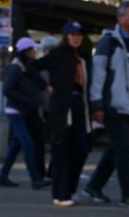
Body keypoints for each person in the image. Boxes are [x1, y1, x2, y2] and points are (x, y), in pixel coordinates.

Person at [85, 0, 129, 208]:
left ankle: (94, 186)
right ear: (120, 18)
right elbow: (98, 74)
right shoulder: (110, 41)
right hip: (113, 106)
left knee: (116, 149)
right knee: (123, 151)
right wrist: (96, 104)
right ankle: (128, 195)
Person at [37, 21, 90, 207]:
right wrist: (46, 87)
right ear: (66, 36)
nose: (76, 38)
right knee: (61, 151)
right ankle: (60, 194)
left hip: (79, 106)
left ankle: (69, 190)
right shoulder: (57, 55)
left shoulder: (82, 58)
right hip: (61, 109)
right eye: (72, 34)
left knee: (81, 150)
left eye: (79, 34)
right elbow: (32, 68)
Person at [0, 38, 50, 190]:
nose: (35, 52)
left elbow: (37, 82)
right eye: (33, 50)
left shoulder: (26, 66)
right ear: (25, 52)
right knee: (27, 142)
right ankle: (35, 178)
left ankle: (3, 176)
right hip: (16, 111)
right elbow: (7, 90)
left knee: (16, 145)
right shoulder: (15, 68)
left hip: (24, 110)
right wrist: (27, 101)